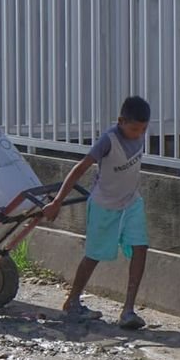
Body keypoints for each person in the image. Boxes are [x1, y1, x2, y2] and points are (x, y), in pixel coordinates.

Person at [41, 95, 151, 329]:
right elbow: (80, 168)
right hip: (105, 205)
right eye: (134, 128)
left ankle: (128, 311)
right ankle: (72, 301)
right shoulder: (108, 140)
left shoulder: (139, 135)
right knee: (94, 255)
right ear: (121, 121)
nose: (139, 133)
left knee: (140, 247)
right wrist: (57, 201)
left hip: (131, 202)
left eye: (143, 129)